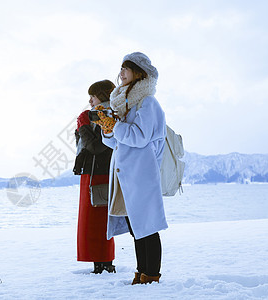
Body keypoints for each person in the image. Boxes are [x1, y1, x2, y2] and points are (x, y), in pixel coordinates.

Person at [95, 52, 168, 284]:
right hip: (125, 172)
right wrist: (107, 129)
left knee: (147, 224)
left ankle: (151, 274)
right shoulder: (124, 101)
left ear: (139, 73)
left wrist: (115, 126)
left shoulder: (148, 102)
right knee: (135, 224)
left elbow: (139, 137)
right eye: (121, 68)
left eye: (126, 68)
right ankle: (141, 271)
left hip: (142, 172)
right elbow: (116, 142)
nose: (121, 73)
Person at [73, 80, 116, 274]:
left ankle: (105, 263)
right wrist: (82, 127)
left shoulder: (107, 114)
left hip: (100, 173)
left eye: (93, 95)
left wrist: (83, 126)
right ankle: (99, 262)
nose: (90, 100)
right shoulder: (95, 114)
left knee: (98, 221)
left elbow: (98, 147)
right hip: (91, 173)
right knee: (91, 222)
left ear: (103, 95)